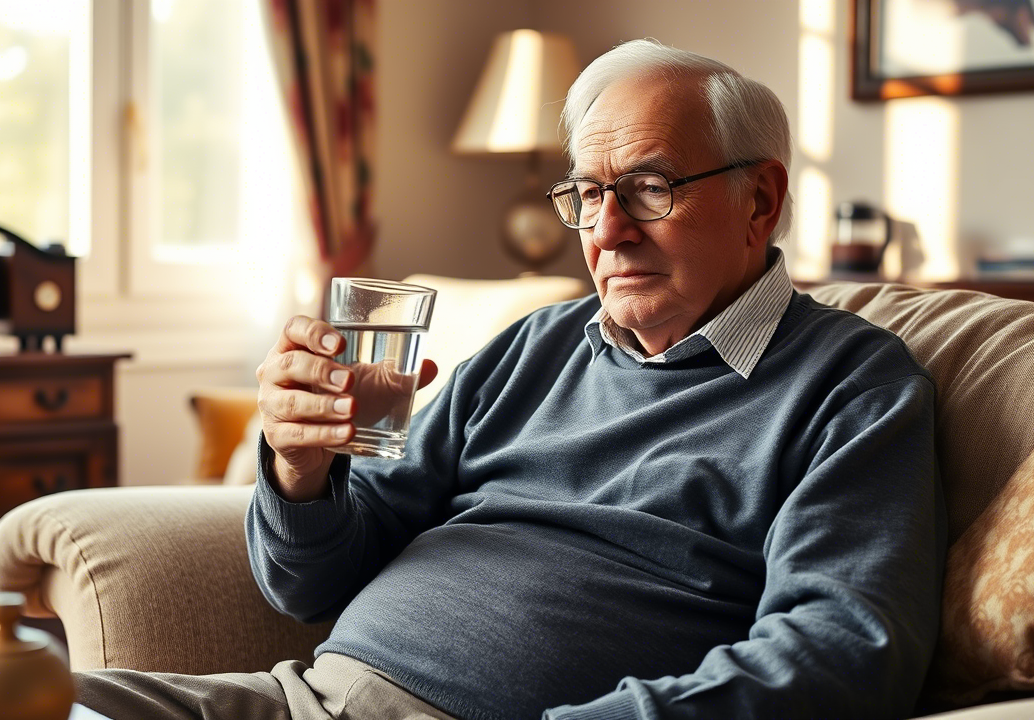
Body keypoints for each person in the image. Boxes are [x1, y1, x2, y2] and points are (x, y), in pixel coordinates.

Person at [75, 39, 946, 720]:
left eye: (648, 187)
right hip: (302, 699)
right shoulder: (531, 348)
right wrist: (302, 472)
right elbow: (310, 584)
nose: (607, 230)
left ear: (760, 201)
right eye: (586, 194)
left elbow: (842, 650)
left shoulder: (850, 385)